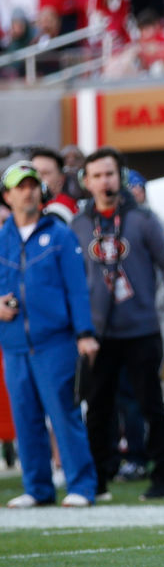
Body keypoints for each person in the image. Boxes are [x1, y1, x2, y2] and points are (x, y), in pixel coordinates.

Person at [71, 147, 164, 502]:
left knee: (151, 404)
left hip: (141, 328)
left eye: (110, 174)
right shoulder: (77, 225)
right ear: (86, 182)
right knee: (98, 408)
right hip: (97, 333)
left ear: (119, 177)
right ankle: (99, 480)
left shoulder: (142, 219)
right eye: (97, 175)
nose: (105, 181)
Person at [0, 162, 99, 508]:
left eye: (32, 185)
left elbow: (77, 289)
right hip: (13, 344)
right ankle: (38, 488)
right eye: (20, 186)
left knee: (63, 414)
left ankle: (82, 486)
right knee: (25, 417)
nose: (28, 191)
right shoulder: (1, 238)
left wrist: (85, 333)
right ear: (7, 195)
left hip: (55, 341)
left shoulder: (59, 234)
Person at [29, 147, 78, 224]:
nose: (38, 178)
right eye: (34, 173)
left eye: (45, 173)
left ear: (61, 179)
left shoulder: (63, 207)